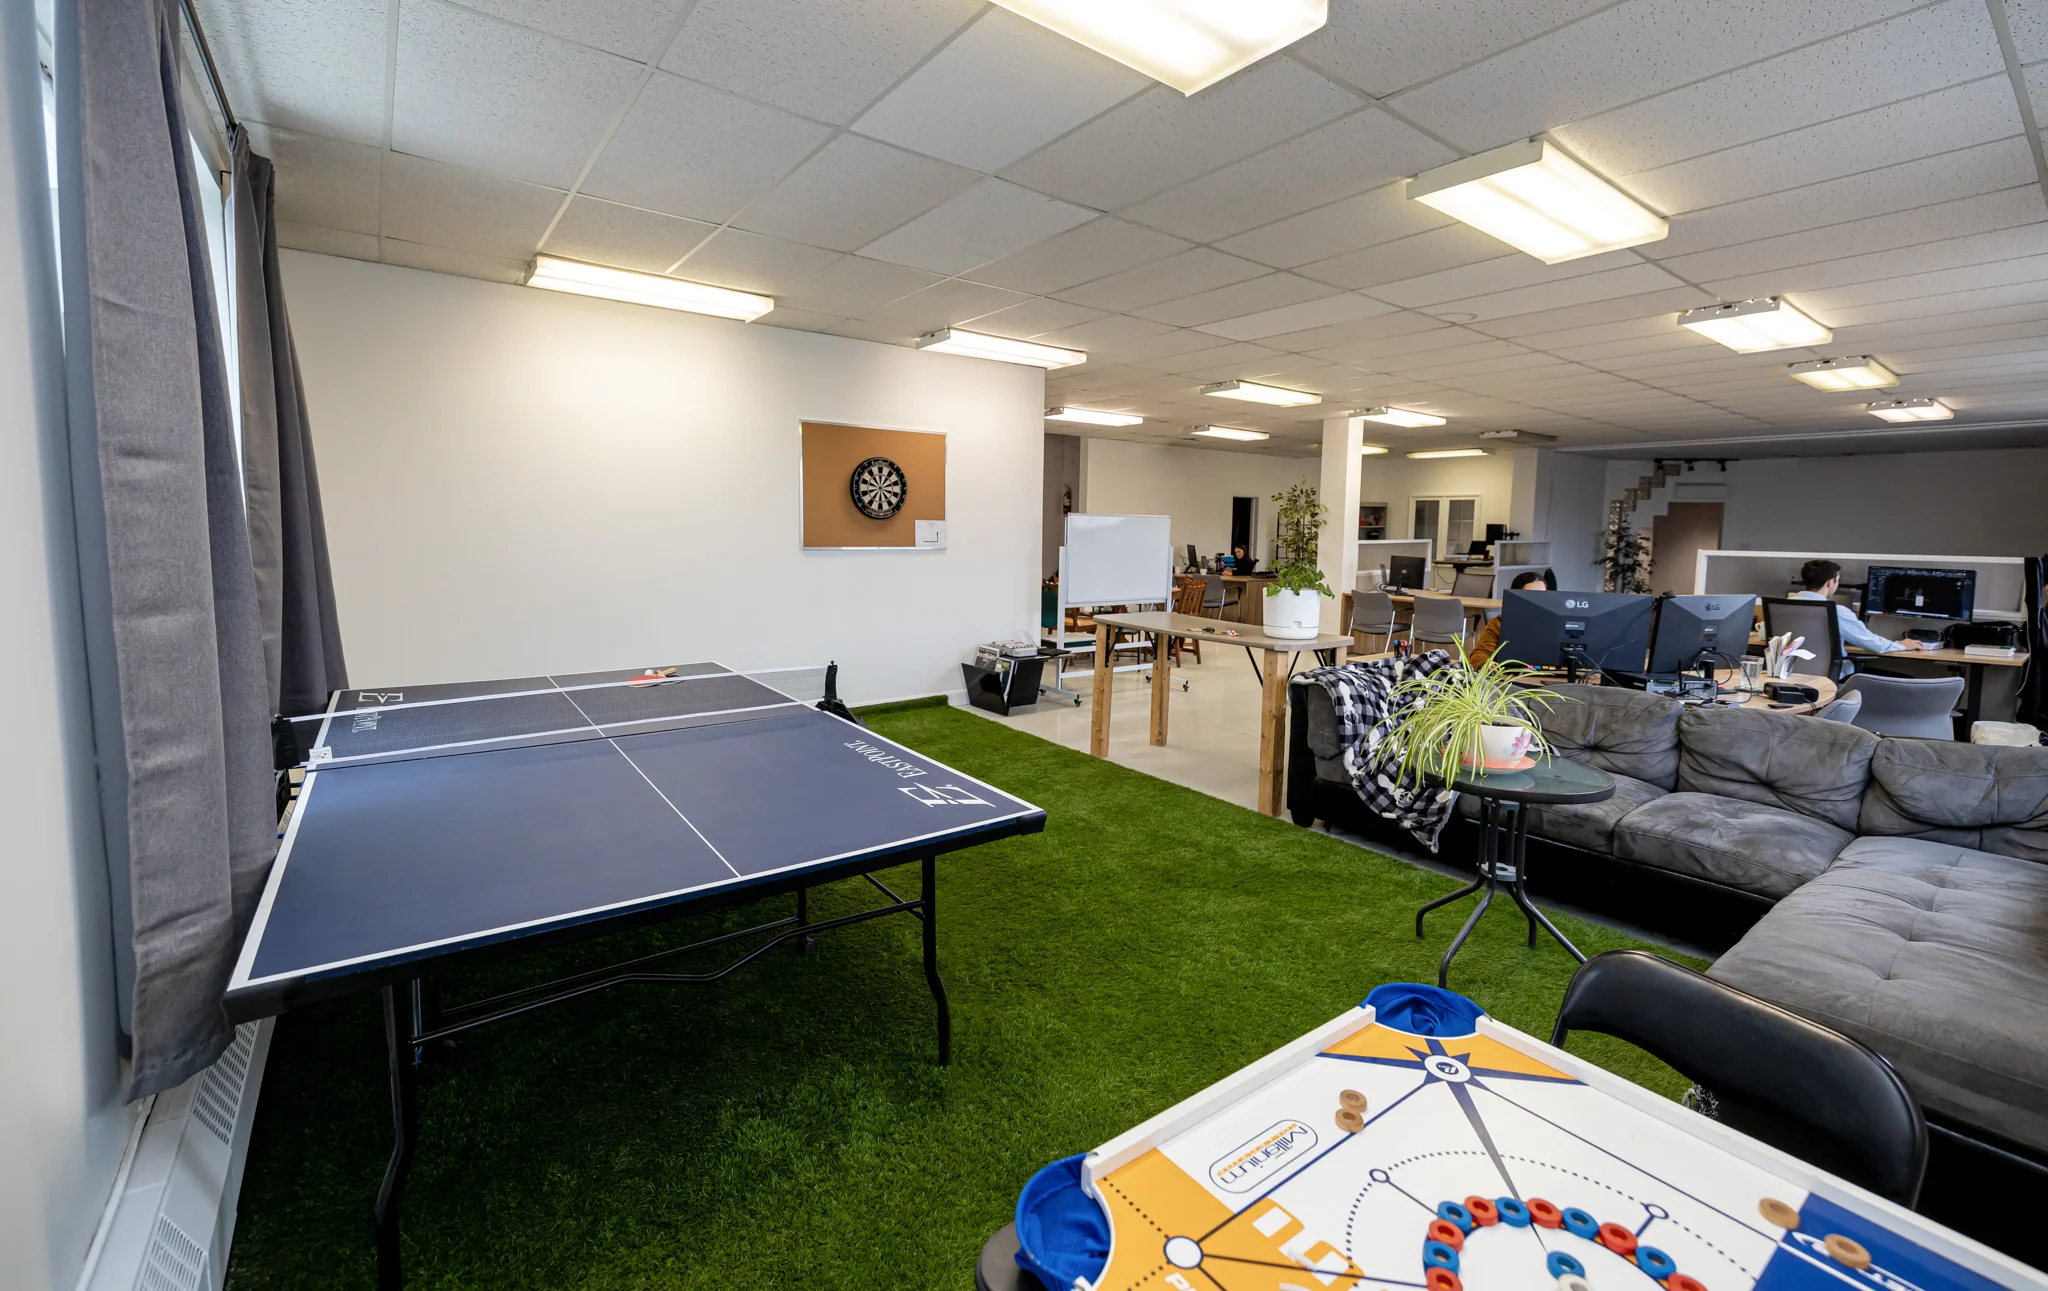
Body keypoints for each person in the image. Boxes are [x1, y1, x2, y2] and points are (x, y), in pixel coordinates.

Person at [1791, 559, 1931, 673]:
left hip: (1791, 674)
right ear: (1830, 582)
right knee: (1905, 679)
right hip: (1832, 677)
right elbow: (1873, 644)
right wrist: (1901, 645)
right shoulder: (1836, 611)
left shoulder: (1783, 606)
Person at [1468, 571, 1545, 666]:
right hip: (1510, 673)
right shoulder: (1499, 623)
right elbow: (1481, 653)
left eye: (1542, 595)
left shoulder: (1554, 625)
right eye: (1530, 595)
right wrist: (1484, 664)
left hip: (1551, 674)